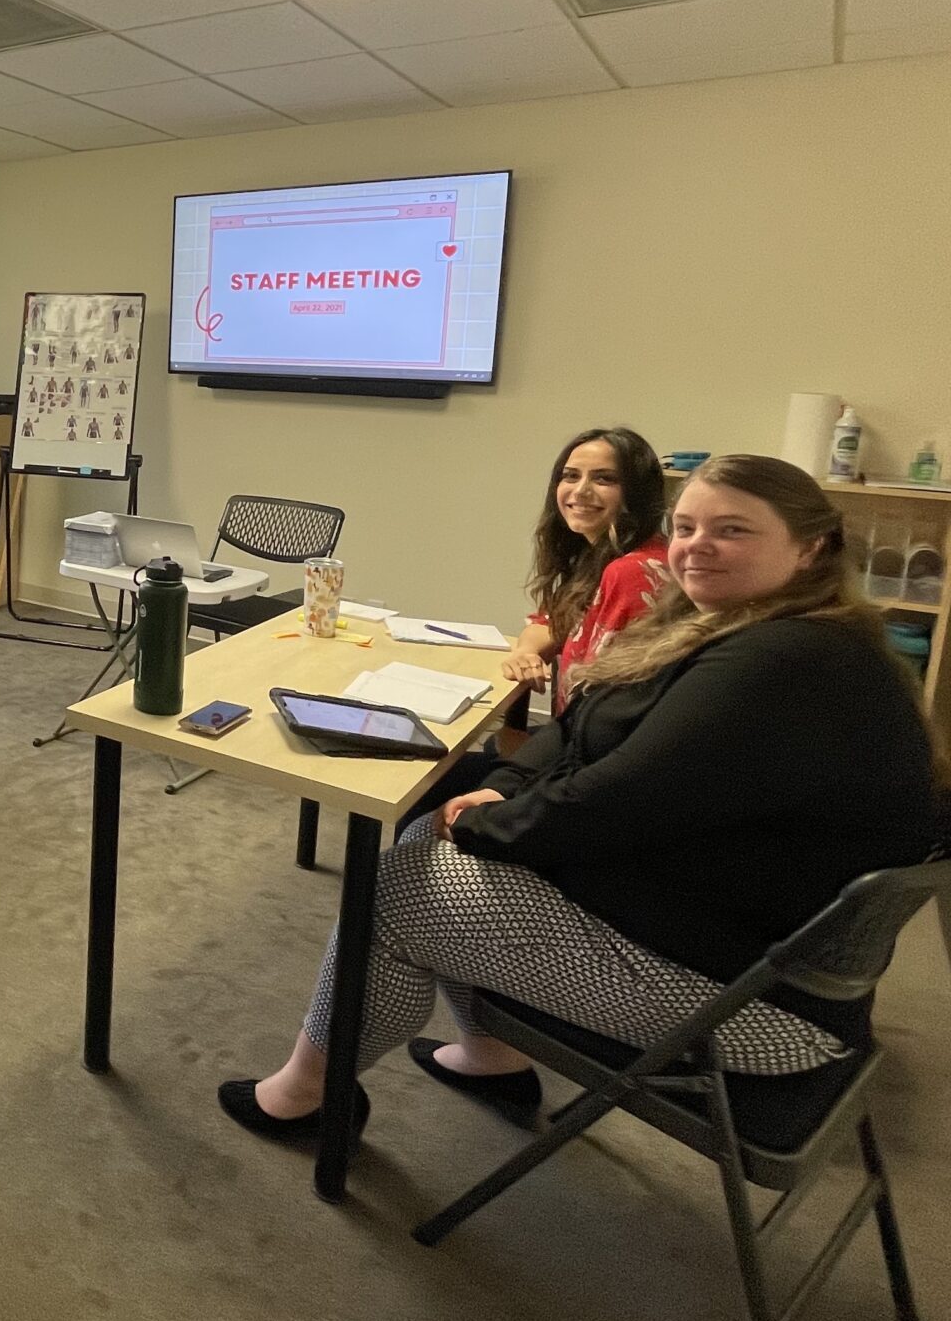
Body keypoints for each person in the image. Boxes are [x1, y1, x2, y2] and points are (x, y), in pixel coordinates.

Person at [219, 455, 944, 1145]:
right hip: (715, 931)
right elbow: (575, 727)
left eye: (734, 530)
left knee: (403, 884)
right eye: (687, 527)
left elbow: (613, 801)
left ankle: (305, 1095)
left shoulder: (786, 661)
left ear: (812, 548)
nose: (697, 547)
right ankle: (491, 1057)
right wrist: (498, 787)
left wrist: (481, 825)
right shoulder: (726, 624)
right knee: (432, 842)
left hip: (757, 1007)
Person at [498, 426, 670, 711]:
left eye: (604, 479)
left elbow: (599, 695)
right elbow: (550, 622)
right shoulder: (596, 555)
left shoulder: (633, 571)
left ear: (637, 492)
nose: (581, 491)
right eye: (571, 476)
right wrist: (526, 652)